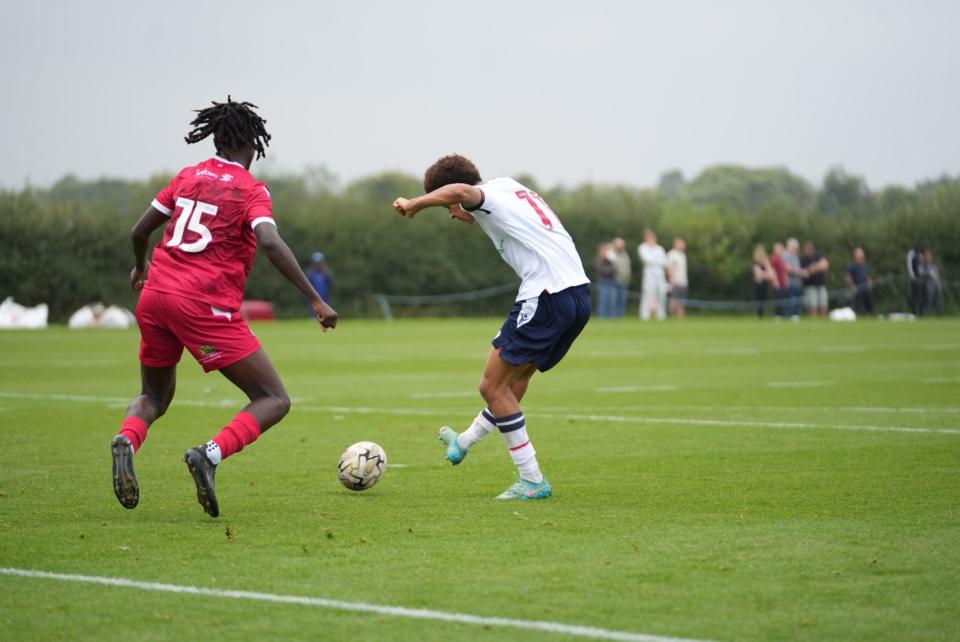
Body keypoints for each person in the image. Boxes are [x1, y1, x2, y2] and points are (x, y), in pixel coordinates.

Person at [111, 97, 338, 518]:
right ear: (252, 144)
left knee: (153, 396)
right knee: (273, 398)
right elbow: (270, 241)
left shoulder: (186, 176)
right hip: (202, 305)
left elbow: (140, 230)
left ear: (214, 138)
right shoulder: (251, 189)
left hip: (155, 296)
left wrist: (140, 267)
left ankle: (128, 437)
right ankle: (209, 455)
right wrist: (315, 298)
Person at [392, 154, 590, 500]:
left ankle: (532, 480)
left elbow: (459, 190)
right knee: (513, 383)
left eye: (448, 208)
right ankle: (463, 442)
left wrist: (414, 204)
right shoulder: (509, 188)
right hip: (578, 295)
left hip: (545, 294)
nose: (452, 215)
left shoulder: (479, 196)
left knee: (491, 386)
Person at [638, 229, 668, 320]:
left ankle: (661, 314)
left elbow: (664, 262)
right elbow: (647, 259)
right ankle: (645, 315)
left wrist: (656, 260)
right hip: (649, 273)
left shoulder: (660, 248)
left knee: (662, 293)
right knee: (648, 293)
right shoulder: (642, 247)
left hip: (660, 273)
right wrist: (656, 259)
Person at [800, 241, 830, 318]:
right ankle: (814, 319)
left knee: (823, 303)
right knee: (812, 305)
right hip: (810, 285)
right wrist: (817, 267)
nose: (808, 251)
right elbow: (805, 271)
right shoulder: (803, 259)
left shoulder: (817, 256)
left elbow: (825, 264)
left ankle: (823, 319)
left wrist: (815, 267)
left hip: (821, 284)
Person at [846, 246, 875, 316]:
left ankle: (871, 317)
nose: (860, 254)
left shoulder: (865, 265)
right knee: (858, 308)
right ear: (855, 254)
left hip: (866, 288)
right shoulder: (852, 265)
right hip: (857, 290)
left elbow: (868, 275)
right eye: (858, 253)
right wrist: (852, 286)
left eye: (861, 252)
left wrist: (870, 282)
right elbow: (849, 278)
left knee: (870, 306)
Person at [752, 245, 779, 318]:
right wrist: (766, 274)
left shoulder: (766, 263)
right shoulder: (755, 263)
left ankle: (761, 315)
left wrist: (764, 274)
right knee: (758, 300)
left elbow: (772, 274)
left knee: (764, 299)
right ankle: (758, 315)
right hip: (758, 285)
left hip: (764, 285)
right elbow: (758, 275)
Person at [666, 237, 688, 318]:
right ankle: (671, 317)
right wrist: (672, 280)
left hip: (683, 283)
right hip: (676, 282)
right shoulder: (671, 254)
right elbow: (668, 268)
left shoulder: (683, 255)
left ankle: (680, 318)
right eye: (681, 243)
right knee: (674, 302)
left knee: (681, 303)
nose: (683, 245)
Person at [610, 237, 632, 317]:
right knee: (614, 301)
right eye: (618, 245)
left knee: (622, 301)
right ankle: (613, 318)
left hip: (624, 281)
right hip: (615, 281)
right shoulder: (611, 254)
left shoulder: (625, 254)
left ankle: (621, 317)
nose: (620, 247)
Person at [594, 242, 617, 318]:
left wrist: (609, 262)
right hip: (603, 282)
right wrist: (608, 269)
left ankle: (611, 318)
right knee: (603, 301)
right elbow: (602, 270)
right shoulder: (599, 259)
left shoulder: (610, 260)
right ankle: (602, 317)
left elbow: (614, 269)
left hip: (611, 282)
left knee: (612, 301)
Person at [783, 238, 804, 319]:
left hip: (797, 282)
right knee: (791, 300)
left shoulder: (795, 256)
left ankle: (796, 315)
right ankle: (791, 315)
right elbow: (788, 269)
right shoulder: (786, 255)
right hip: (790, 283)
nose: (796, 248)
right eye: (794, 246)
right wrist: (801, 272)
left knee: (797, 300)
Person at [906, 243, 928, 316]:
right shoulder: (911, 254)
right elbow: (909, 266)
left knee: (921, 295)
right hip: (914, 278)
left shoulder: (920, 254)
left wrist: (922, 275)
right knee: (914, 296)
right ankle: (914, 312)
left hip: (920, 277)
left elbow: (921, 266)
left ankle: (921, 312)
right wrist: (913, 277)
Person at [769, 242, 789, 318]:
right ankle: (777, 315)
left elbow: (785, 271)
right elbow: (772, 270)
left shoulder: (782, 259)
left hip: (783, 283)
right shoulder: (774, 258)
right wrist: (775, 281)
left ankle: (782, 315)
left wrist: (786, 280)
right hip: (778, 283)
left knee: (783, 299)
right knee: (779, 300)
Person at [924, 249, 944, 316]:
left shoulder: (934, 265)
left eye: (930, 255)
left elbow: (937, 275)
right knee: (929, 300)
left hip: (937, 284)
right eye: (928, 255)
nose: (929, 257)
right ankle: (926, 314)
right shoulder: (924, 265)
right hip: (929, 284)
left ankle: (940, 314)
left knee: (939, 300)